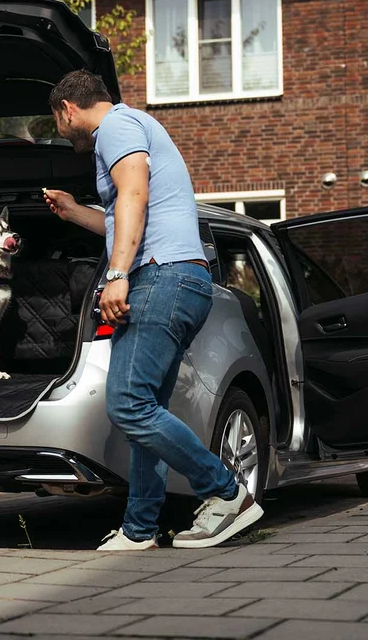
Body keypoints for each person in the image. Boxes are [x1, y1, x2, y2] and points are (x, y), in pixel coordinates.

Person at [44, 70, 263, 550]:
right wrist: (74, 209)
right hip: (178, 278)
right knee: (147, 408)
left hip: (159, 277)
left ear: (68, 110)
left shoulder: (115, 129)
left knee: (127, 403)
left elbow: (134, 196)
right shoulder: (133, 125)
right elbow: (124, 210)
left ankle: (228, 495)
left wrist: (117, 274)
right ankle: (140, 528)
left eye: (55, 122)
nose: (59, 133)